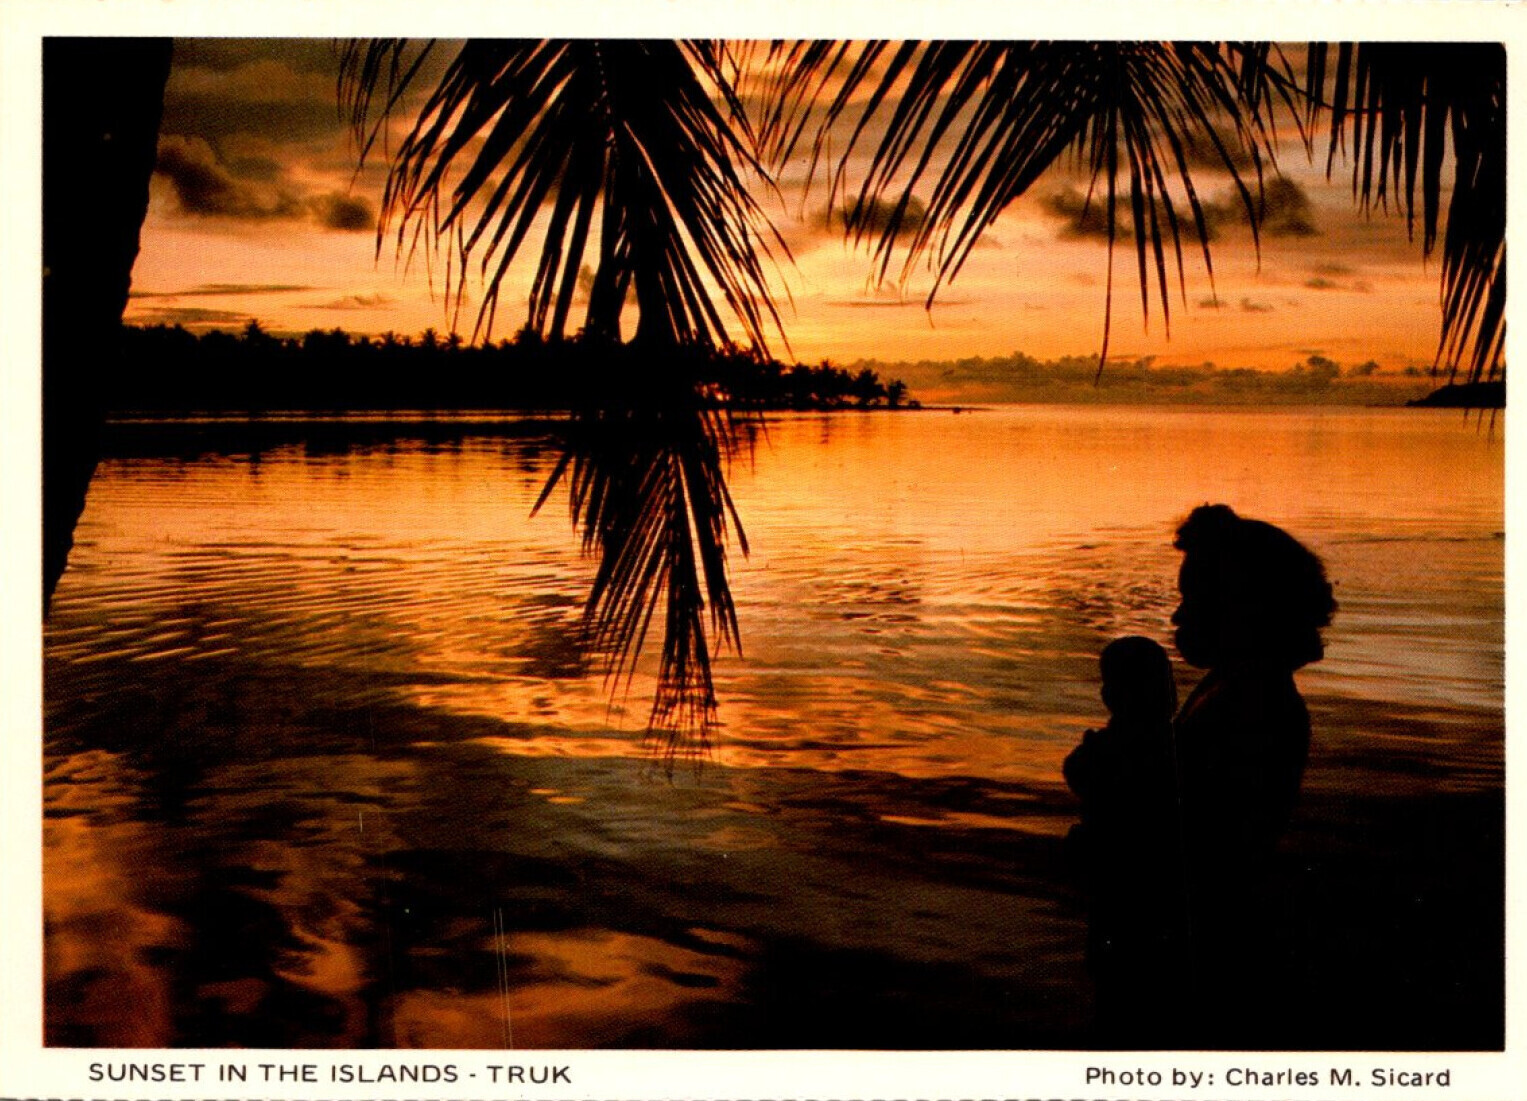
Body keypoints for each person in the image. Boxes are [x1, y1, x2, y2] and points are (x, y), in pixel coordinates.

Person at [1168, 503, 1337, 1046]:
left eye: (1193, 600)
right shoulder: (1233, 687)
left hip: (1206, 941)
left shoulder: (1251, 703)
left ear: (1243, 608)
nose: (1176, 617)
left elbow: (1208, 840)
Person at [1063, 636, 1187, 1045]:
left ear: (1111, 696)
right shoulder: (1172, 741)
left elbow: (1079, 772)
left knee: (1120, 992)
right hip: (1141, 891)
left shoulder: (1128, 745)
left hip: (1126, 891)